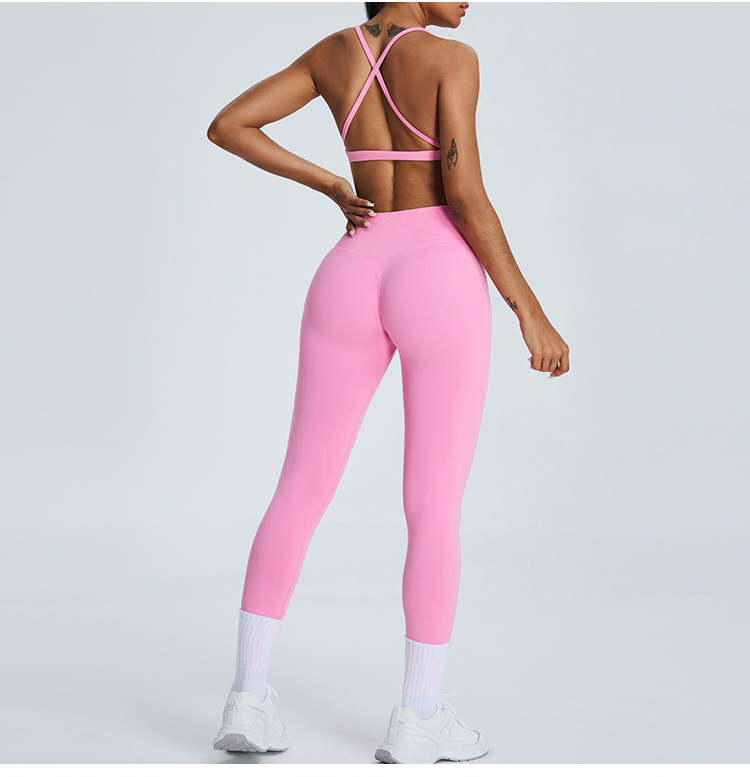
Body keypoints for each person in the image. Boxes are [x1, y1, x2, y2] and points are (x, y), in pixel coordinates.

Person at [206, 0, 569, 764]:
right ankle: (418, 715)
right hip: (435, 272)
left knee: (299, 487)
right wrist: (529, 310)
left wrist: (333, 185)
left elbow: (229, 125)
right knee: (432, 501)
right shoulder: (451, 60)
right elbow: (464, 194)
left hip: (349, 270)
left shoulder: (331, 54)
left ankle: (246, 695)